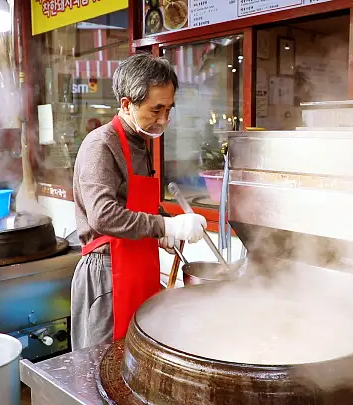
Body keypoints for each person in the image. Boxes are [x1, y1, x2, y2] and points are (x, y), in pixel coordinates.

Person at [70, 53, 207, 350]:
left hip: (138, 265)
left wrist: (163, 232)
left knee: (134, 358)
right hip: (108, 275)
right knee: (103, 366)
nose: (164, 120)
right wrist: (166, 226)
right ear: (126, 104)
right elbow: (103, 215)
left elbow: (135, 203)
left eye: (169, 109)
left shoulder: (140, 143)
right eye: (156, 109)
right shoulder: (101, 145)